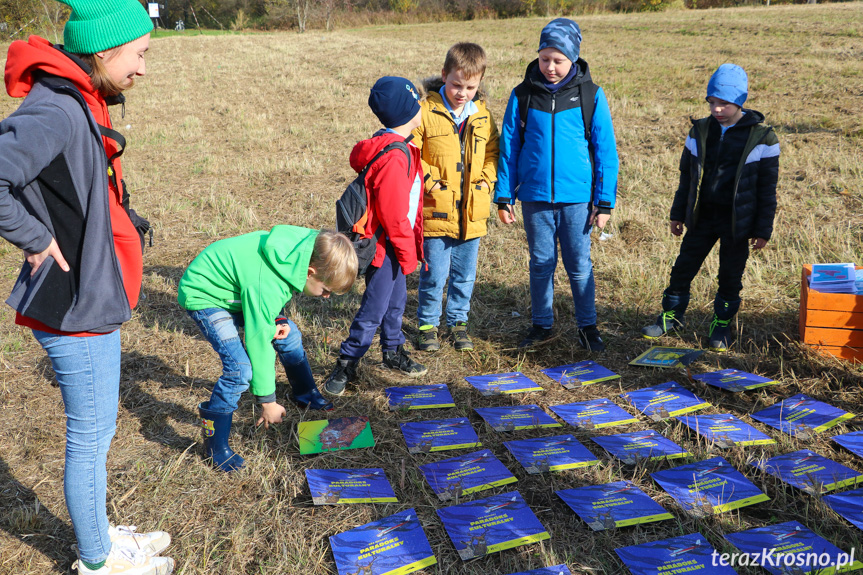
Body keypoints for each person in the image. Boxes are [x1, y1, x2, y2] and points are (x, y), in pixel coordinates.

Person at [0, 1, 175, 573]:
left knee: (97, 435)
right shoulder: (58, 109)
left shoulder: (80, 98)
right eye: (140, 53)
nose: (144, 68)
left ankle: (100, 534)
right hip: (71, 307)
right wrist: (30, 235)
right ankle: (98, 560)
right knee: (90, 439)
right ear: (103, 50)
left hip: (90, 297)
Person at [178, 228, 357, 471]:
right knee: (239, 371)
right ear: (310, 272)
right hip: (208, 296)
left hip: (243, 292)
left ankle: (305, 393)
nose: (326, 297)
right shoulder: (267, 281)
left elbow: (264, 299)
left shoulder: (300, 253)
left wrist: (278, 318)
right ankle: (214, 447)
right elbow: (258, 340)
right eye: (326, 290)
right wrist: (268, 402)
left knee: (289, 333)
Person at [495, 18, 619, 352]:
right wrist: (504, 194)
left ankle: (587, 326)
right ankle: (541, 324)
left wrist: (604, 202)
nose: (550, 67)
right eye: (545, 58)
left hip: (577, 199)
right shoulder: (522, 96)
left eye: (559, 60)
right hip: (535, 197)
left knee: (579, 265)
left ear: (574, 59)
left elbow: (605, 151)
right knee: (541, 264)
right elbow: (509, 147)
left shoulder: (591, 95)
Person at [641, 64, 779, 352]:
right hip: (702, 217)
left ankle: (722, 325)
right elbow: (686, 177)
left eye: (724, 104)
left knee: (730, 276)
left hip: (738, 223)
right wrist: (678, 214)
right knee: (683, 268)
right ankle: (671, 316)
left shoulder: (763, 137)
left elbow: (767, 189)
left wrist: (763, 229)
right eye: (712, 102)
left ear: (740, 101)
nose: (717, 109)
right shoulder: (699, 131)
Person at [324, 76, 427, 396]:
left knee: (396, 302)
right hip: (384, 247)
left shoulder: (397, 145)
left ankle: (393, 350)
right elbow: (394, 214)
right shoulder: (396, 155)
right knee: (374, 308)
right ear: (409, 112)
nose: (422, 108)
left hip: (393, 245)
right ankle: (346, 362)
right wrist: (409, 256)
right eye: (418, 103)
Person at [411, 42, 500, 352]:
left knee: (465, 275)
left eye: (470, 87)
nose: (462, 93)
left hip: (472, 214)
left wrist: (487, 182)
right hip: (436, 211)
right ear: (444, 75)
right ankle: (427, 325)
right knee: (434, 274)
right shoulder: (424, 112)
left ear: (479, 83)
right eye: (456, 85)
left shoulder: (483, 116)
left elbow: (492, 153)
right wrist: (431, 182)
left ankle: (458, 323)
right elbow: (411, 153)